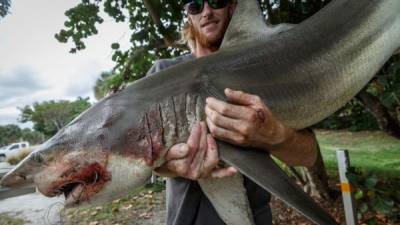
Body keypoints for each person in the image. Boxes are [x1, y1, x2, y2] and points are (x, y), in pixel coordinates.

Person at [146, 0, 318, 224]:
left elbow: (309, 155)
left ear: (232, 7)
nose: (206, 12)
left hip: (256, 217)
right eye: (195, 6)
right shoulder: (163, 74)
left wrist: (275, 135)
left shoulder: (264, 73)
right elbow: (148, 159)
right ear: (189, 16)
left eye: (216, 1)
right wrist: (172, 166)